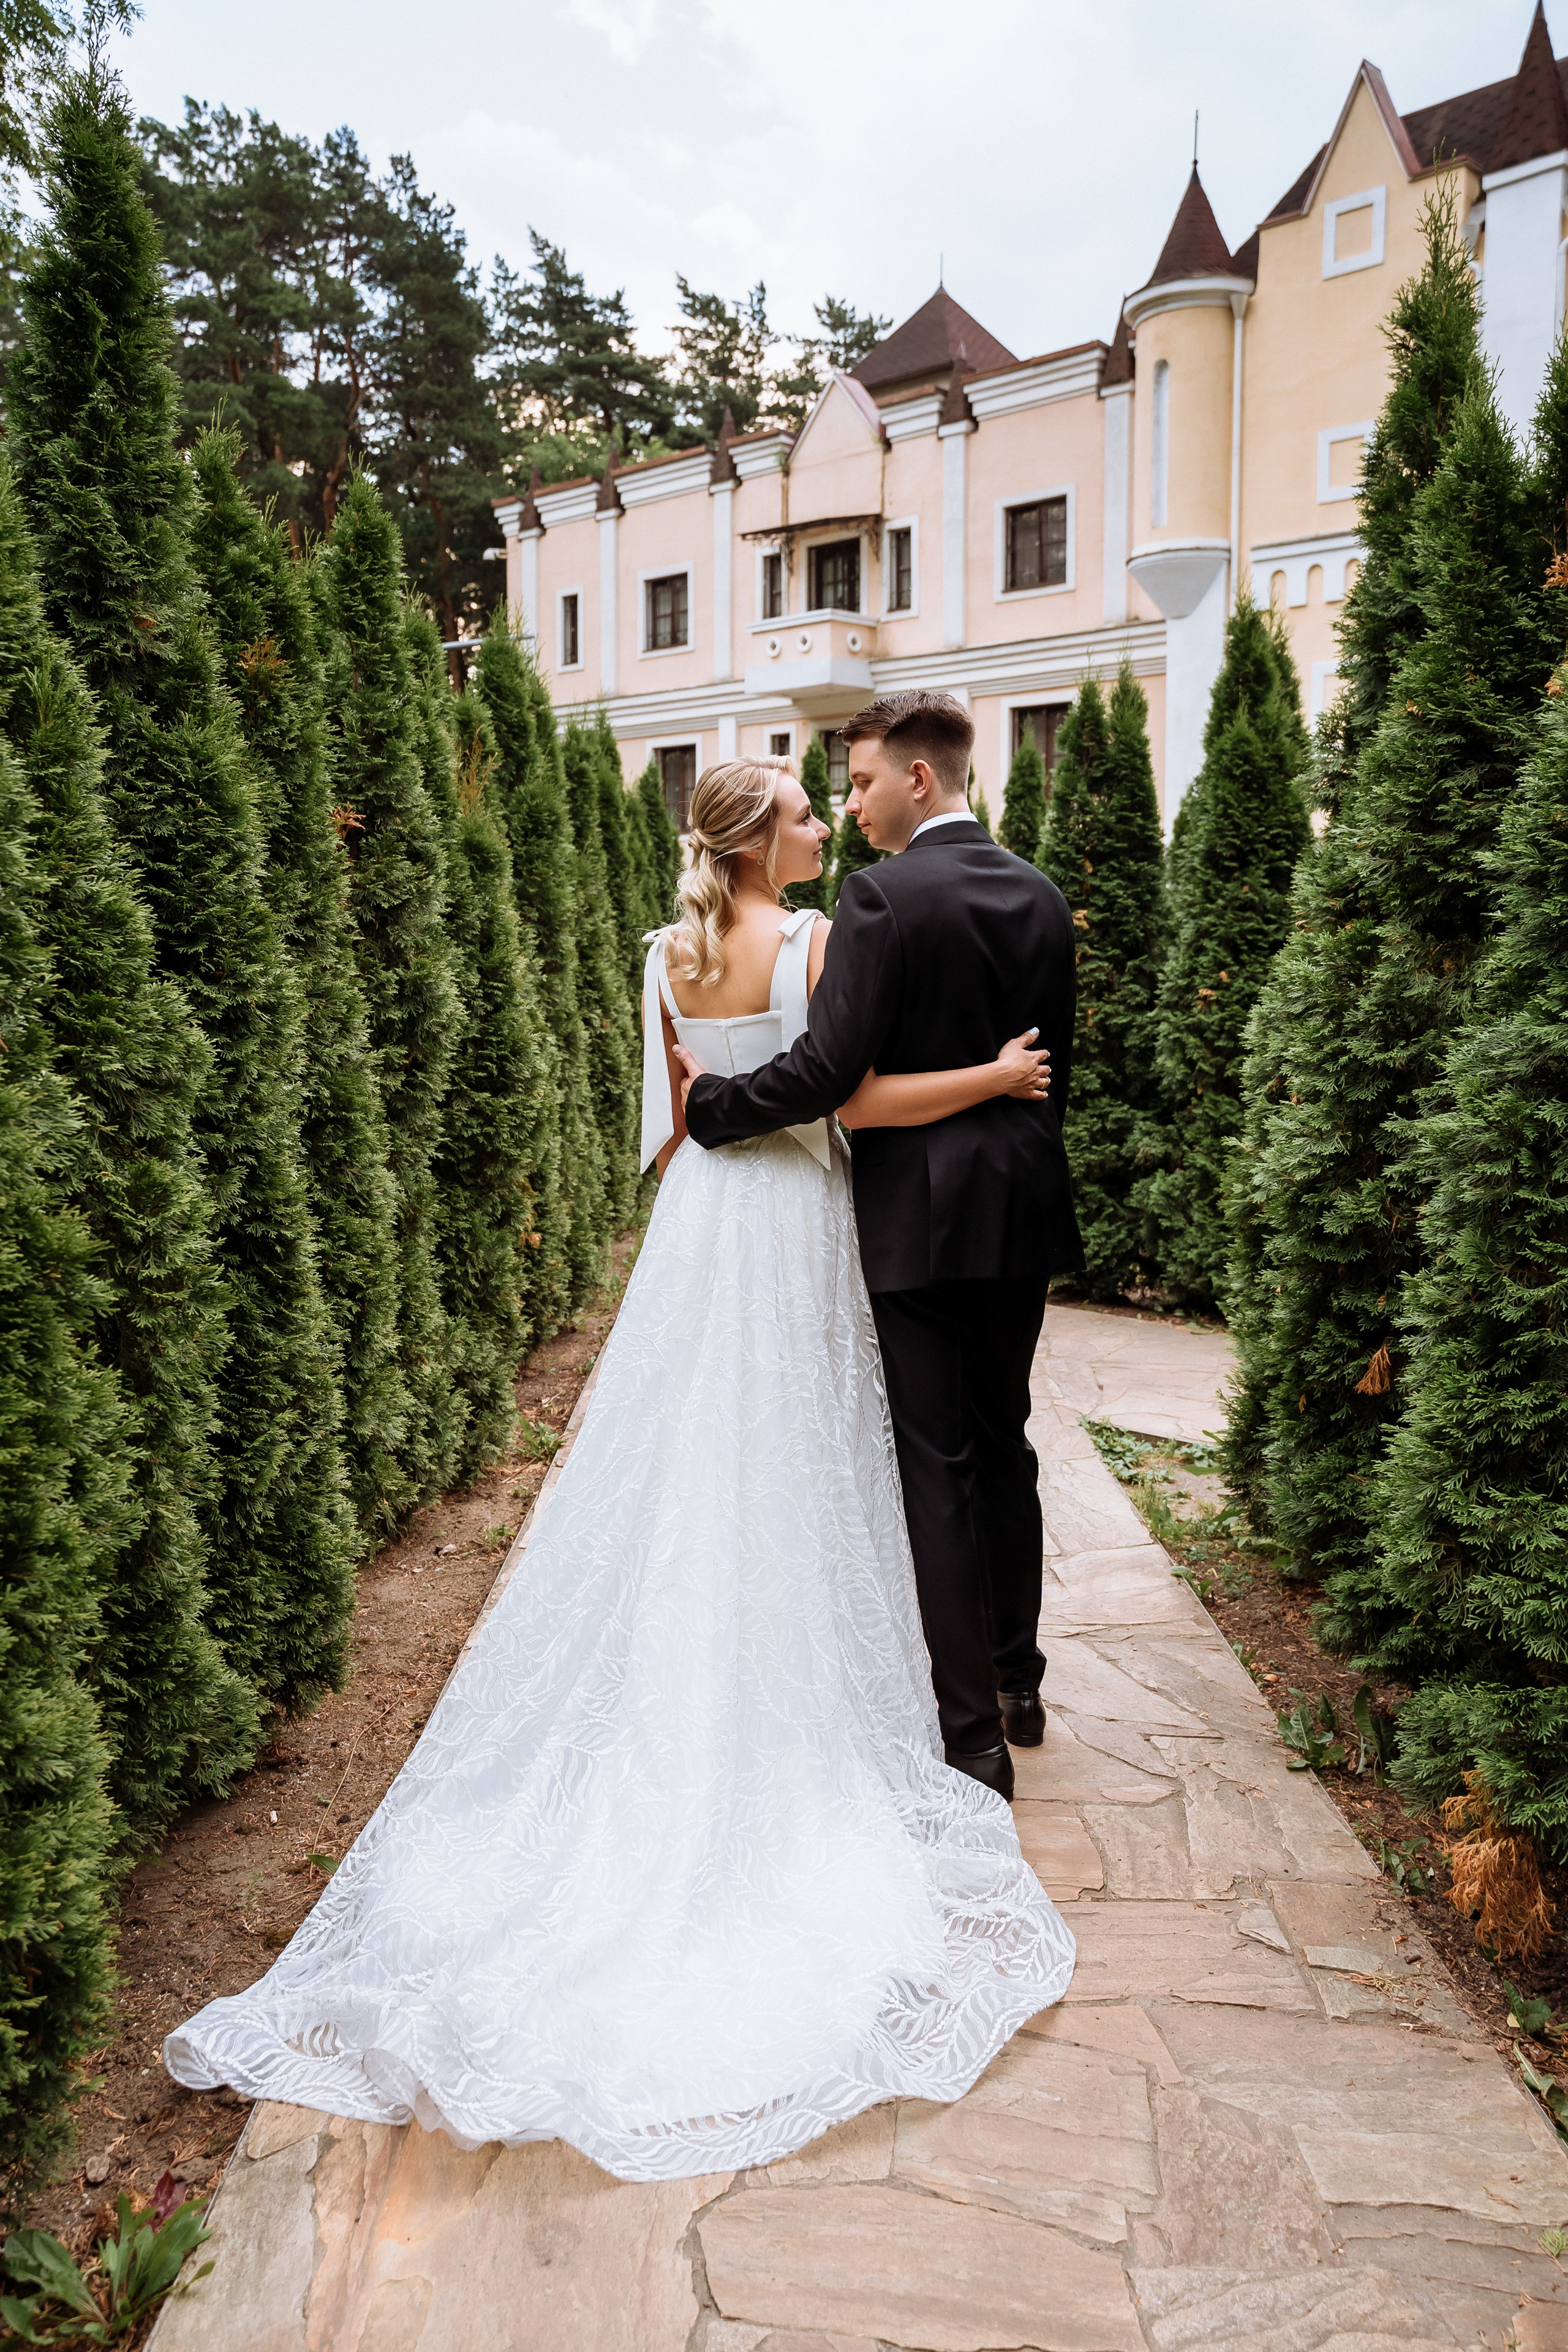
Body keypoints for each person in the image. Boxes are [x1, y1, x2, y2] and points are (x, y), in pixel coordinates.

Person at [163, 752, 1074, 2183]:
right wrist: (975, 1082)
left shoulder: (666, 950)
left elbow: (668, 1124)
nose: (818, 823)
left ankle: (673, 1670)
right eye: (796, 810)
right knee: (807, 1465)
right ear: (756, 839)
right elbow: (834, 1099)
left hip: (700, 1231)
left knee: (681, 1461)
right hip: (785, 1218)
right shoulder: (820, 935)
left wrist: (710, 1133)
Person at [682, 693, 1084, 1803]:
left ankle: (972, 1744)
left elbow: (828, 1079)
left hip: (916, 1221)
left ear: (919, 779)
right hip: (1020, 1212)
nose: (851, 805)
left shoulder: (878, 900)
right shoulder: (1044, 897)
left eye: (860, 783)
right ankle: (1020, 1684)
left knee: (938, 1467)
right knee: (1005, 1443)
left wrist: (712, 1108)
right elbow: (1056, 1073)